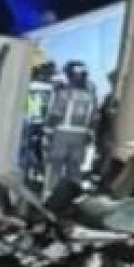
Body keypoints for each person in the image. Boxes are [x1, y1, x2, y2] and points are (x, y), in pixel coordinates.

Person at [44, 60, 100, 198]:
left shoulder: (64, 93)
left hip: (62, 134)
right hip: (81, 137)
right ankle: (72, 198)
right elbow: (95, 119)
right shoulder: (91, 97)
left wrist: (48, 132)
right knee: (75, 170)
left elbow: (56, 114)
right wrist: (90, 136)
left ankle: (50, 195)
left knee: (55, 167)